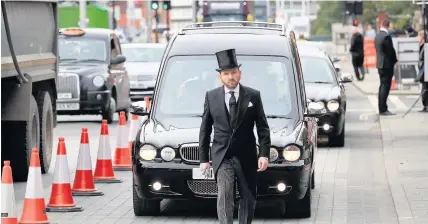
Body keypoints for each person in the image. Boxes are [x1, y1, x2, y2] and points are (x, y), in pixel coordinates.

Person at [199, 49, 271, 224]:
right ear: (220, 77)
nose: (230, 77)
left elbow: (263, 128)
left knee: (248, 196)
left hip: (246, 156)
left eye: (233, 73)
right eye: (226, 74)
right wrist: (204, 158)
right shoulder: (211, 96)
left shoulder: (253, 95)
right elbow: (205, 128)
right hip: (222, 155)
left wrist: (264, 154)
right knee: (225, 195)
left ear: (240, 73)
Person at [374, 19, 398, 115]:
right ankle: (383, 109)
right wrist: (395, 60)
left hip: (380, 64)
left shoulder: (377, 36)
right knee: (385, 86)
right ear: (388, 25)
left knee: (382, 86)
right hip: (387, 64)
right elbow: (390, 51)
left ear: (381, 25)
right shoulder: (386, 36)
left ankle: (381, 107)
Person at [416, 30, 428, 112]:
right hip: (423, 70)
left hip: (425, 71)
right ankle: (425, 106)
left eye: (418, 36)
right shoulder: (422, 46)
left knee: (425, 89)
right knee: (424, 89)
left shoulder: (425, 46)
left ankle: (426, 106)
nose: (417, 38)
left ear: (422, 37)